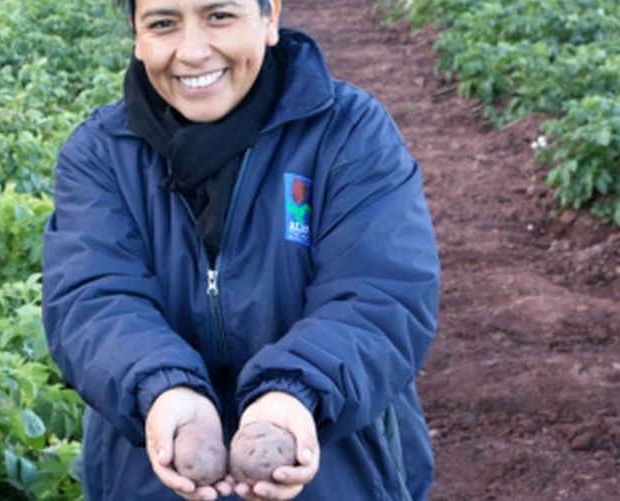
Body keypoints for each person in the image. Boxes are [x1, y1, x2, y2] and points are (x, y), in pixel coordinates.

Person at [42, 0, 440, 499]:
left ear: (270, 17)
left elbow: (380, 294)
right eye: (163, 24)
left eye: (219, 16)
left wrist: (294, 394)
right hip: (152, 478)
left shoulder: (350, 135)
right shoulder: (100, 153)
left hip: (336, 474)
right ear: (137, 37)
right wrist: (165, 388)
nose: (192, 52)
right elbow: (92, 299)